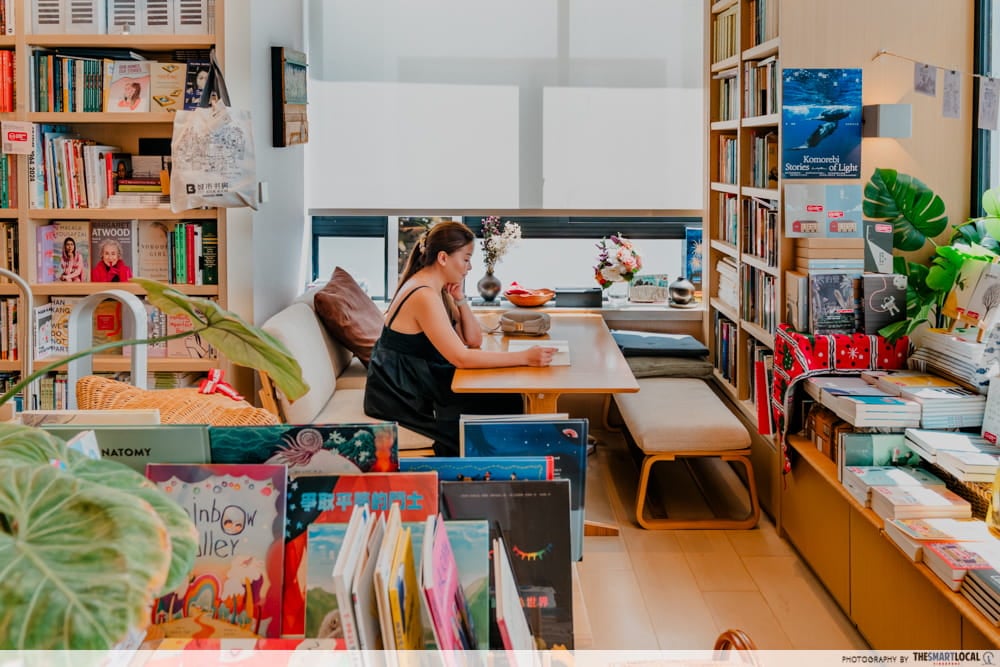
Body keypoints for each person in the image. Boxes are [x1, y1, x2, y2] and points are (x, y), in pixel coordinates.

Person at [364, 221, 556, 456]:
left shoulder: (436, 288)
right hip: (404, 395)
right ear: (443, 258)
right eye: (465, 258)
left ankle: (522, 456)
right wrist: (525, 357)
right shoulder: (423, 295)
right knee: (503, 401)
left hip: (419, 379)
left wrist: (461, 299)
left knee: (507, 397)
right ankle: (505, 464)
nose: (470, 266)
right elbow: (462, 358)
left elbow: (473, 340)